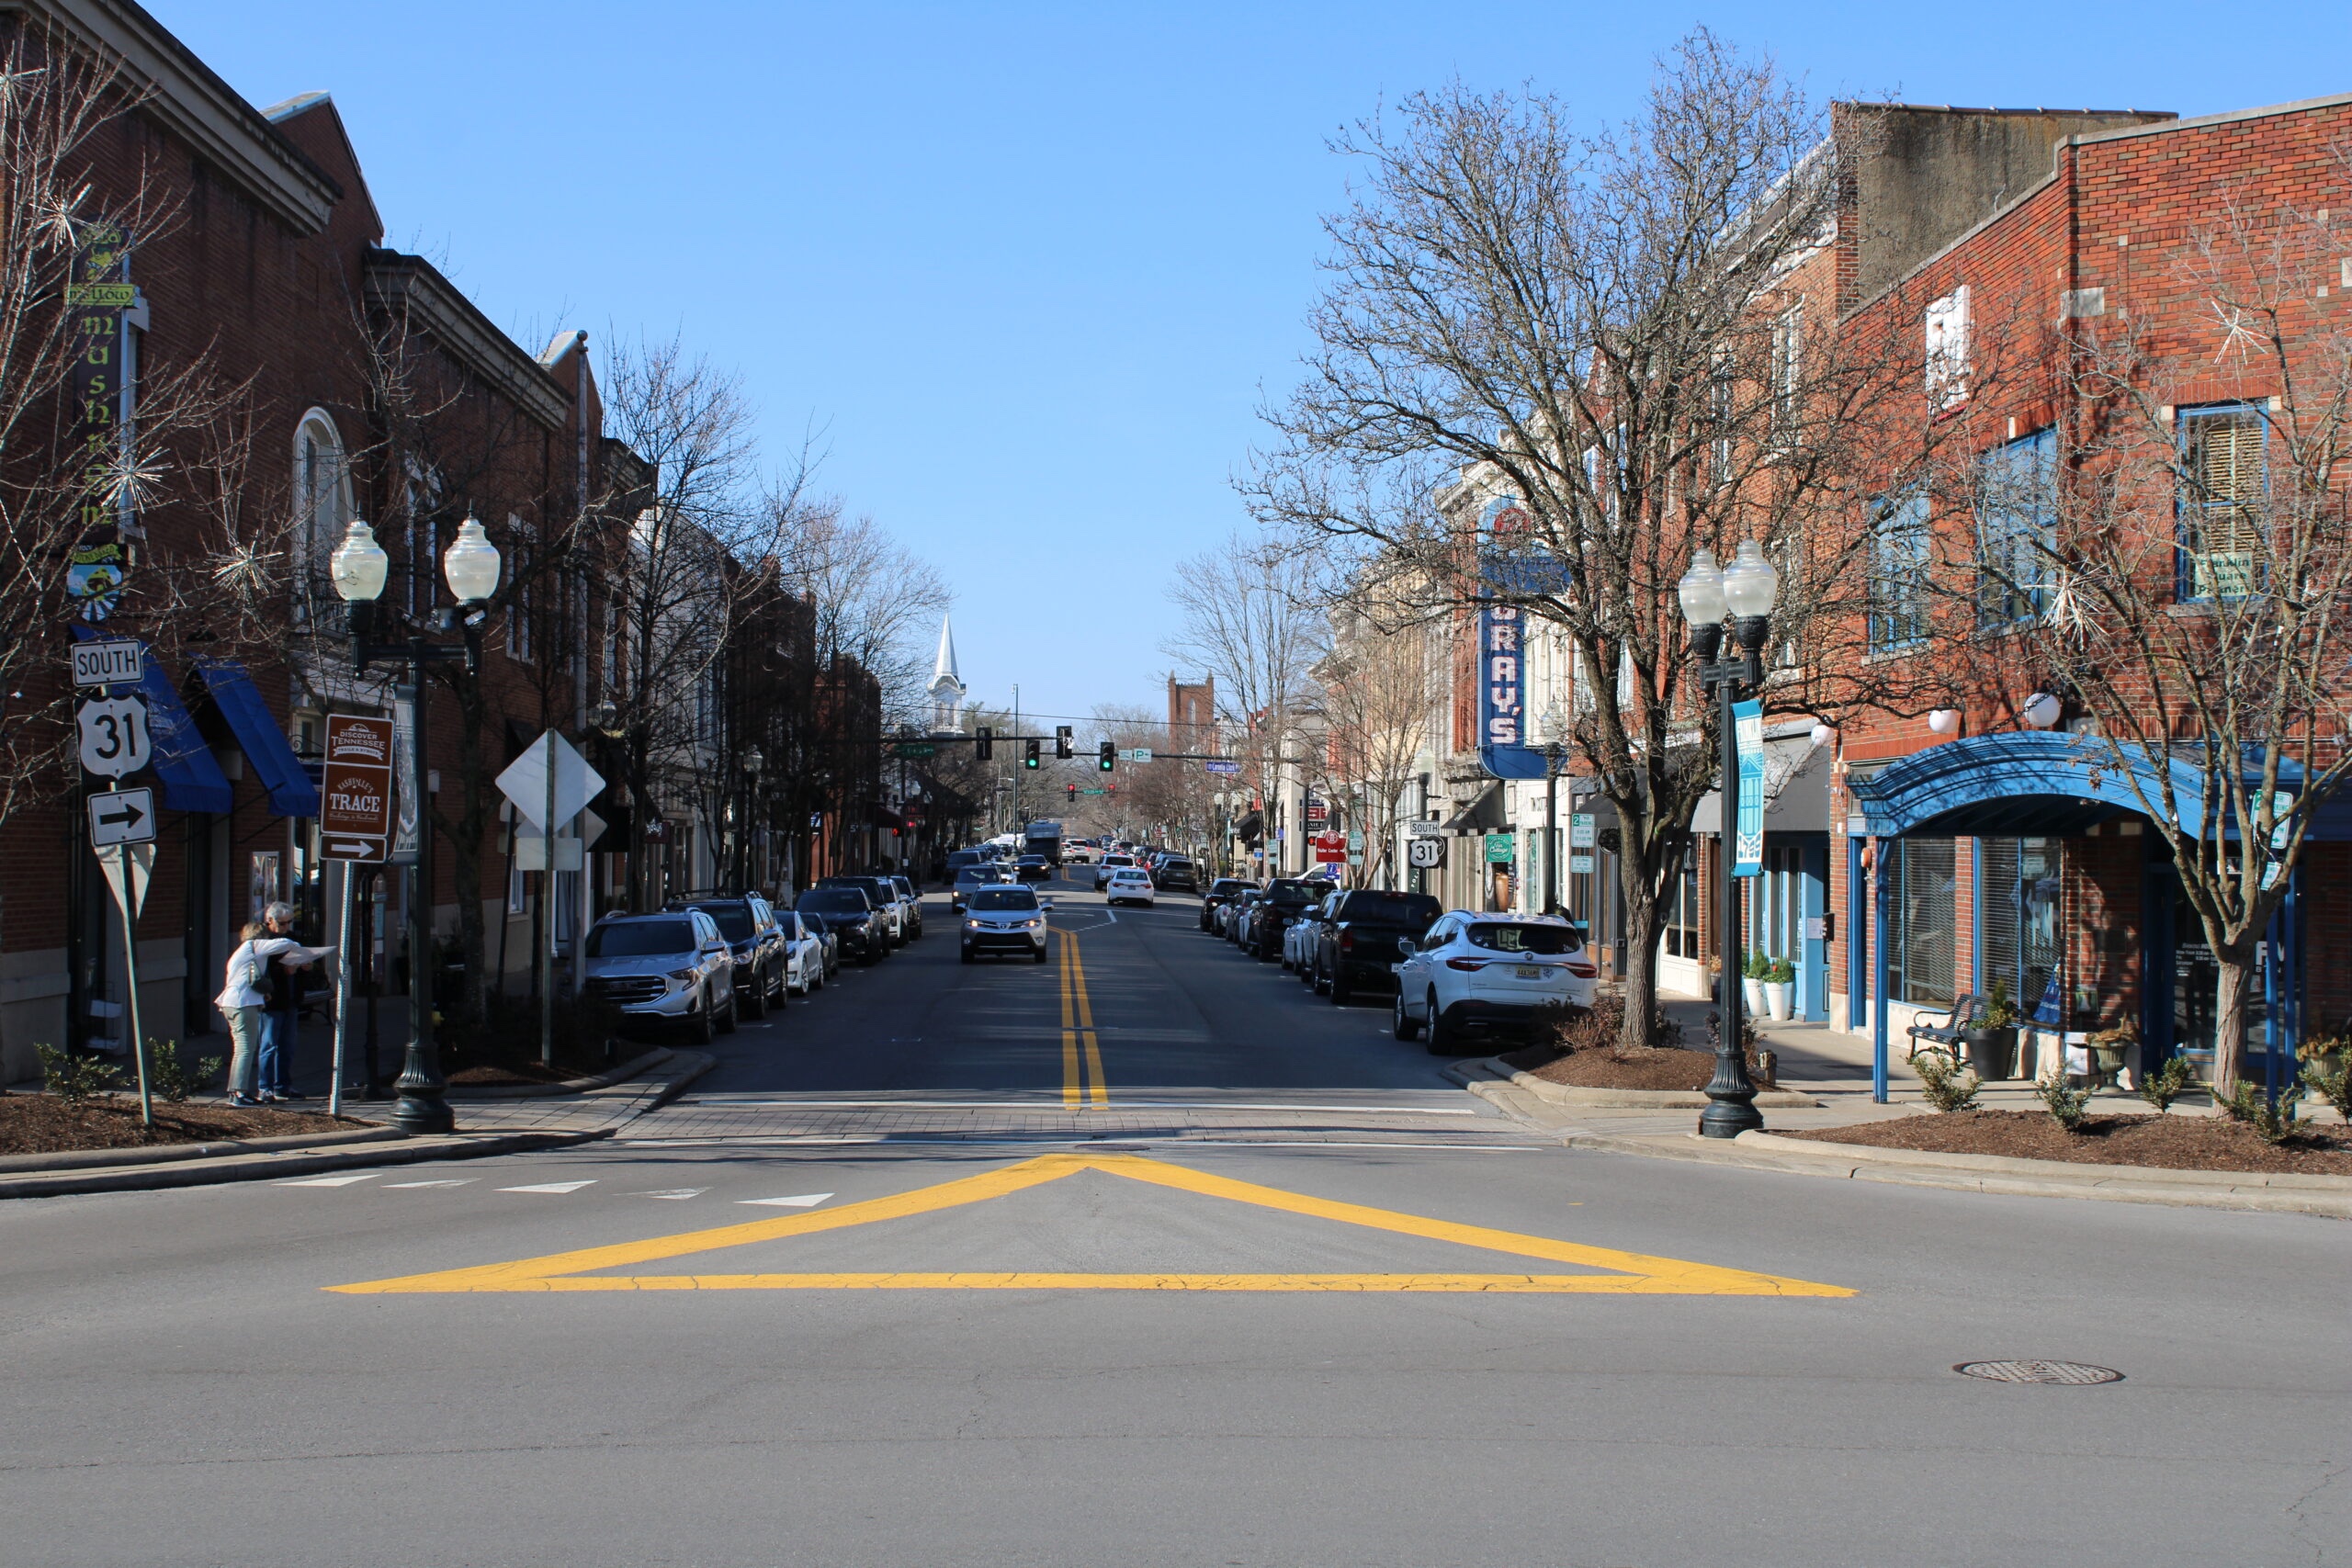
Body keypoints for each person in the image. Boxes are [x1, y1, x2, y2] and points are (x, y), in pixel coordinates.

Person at [216, 919, 298, 1109]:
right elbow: (284, 943)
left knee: (240, 1050)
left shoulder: (241, 953)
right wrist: (297, 946)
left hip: (232, 1003)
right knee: (245, 1049)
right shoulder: (254, 946)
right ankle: (240, 1093)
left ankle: (235, 1091)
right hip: (243, 1005)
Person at [256, 900, 315, 1103]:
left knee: (288, 1046)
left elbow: (301, 965)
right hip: (272, 1002)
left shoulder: (291, 938)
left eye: (289, 922)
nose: (286, 927)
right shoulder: (262, 940)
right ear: (269, 920)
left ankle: (283, 1086)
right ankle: (265, 1087)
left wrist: (305, 968)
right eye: (282, 923)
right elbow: (258, 973)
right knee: (269, 1045)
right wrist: (283, 971)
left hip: (291, 999)